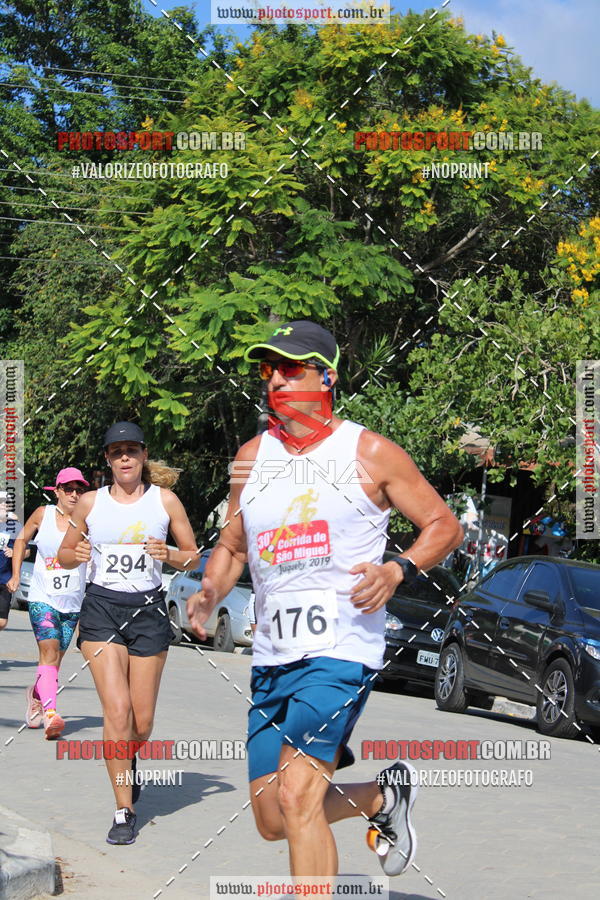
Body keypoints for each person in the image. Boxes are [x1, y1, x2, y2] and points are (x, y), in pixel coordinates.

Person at [187, 321, 463, 881]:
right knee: (272, 815)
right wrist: (210, 587)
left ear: (327, 376)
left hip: (340, 649)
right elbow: (233, 545)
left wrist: (397, 567)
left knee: (296, 795)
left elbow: (443, 525)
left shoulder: (370, 452)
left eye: (292, 368)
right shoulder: (250, 457)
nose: (277, 381)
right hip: (272, 656)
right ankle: (384, 797)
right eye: (269, 370)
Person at [57, 422, 198, 846]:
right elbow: (63, 554)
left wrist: (170, 554)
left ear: (142, 455)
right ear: (107, 458)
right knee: (116, 712)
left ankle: (128, 759)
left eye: (131, 450)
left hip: (148, 611)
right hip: (101, 609)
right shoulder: (89, 503)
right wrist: (74, 553)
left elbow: (192, 557)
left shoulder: (165, 501)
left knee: (141, 722)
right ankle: (123, 811)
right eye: (116, 451)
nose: (124, 458)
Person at [8, 468, 89, 739]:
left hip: (73, 603)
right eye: (69, 489)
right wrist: (17, 573)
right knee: (49, 652)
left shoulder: (90, 520)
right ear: (57, 491)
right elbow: (20, 539)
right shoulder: (44, 514)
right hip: (43, 598)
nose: (74, 494)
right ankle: (51, 715)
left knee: (55, 661)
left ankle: (36, 694)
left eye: (79, 489)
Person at [0, 490, 23, 632]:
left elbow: (26, 551)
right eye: (1, 502)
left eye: (6, 502)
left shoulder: (15, 526)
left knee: (2, 622)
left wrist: (15, 552)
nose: (3, 505)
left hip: (5, 578)